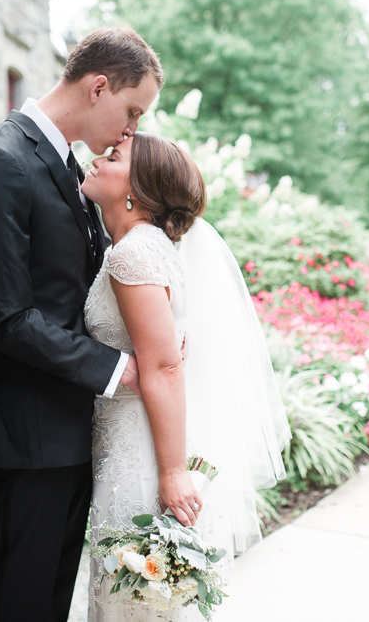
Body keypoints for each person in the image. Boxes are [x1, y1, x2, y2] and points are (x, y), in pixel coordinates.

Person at [0, 27, 163, 622]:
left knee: (47, 606)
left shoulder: (65, 165)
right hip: (29, 431)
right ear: (99, 87)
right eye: (131, 112)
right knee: (14, 604)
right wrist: (120, 367)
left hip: (73, 425)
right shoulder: (0, 161)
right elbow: (7, 318)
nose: (131, 131)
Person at [81, 132, 291, 621]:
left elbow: (164, 366)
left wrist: (173, 473)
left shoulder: (132, 254)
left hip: (142, 454)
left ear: (137, 191)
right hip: (132, 440)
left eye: (113, 157)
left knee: (130, 601)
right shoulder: (146, 247)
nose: (96, 159)